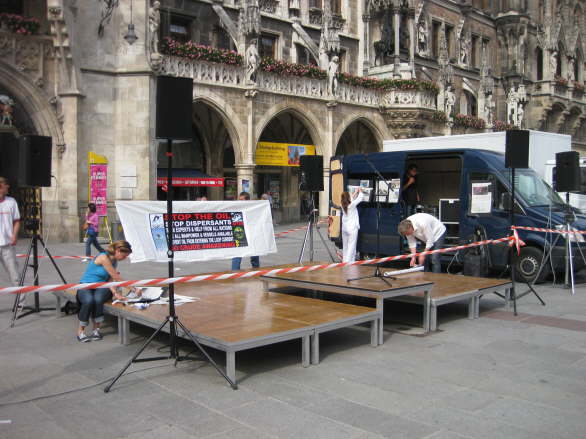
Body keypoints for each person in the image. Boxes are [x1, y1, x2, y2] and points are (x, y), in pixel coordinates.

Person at [76, 240, 137, 342]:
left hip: (102, 286)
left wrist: (115, 293)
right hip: (86, 284)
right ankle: (80, 331)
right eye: (124, 255)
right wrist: (134, 289)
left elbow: (109, 278)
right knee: (88, 301)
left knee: (98, 299)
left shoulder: (114, 261)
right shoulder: (104, 257)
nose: (125, 258)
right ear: (117, 251)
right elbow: (116, 277)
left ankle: (96, 329)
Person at [231, 192, 259, 270]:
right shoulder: (236, 208)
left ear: (247, 200)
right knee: (237, 254)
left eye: (242, 199)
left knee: (254, 253)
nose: (239, 201)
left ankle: (256, 270)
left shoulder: (253, 208)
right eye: (239, 199)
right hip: (239, 233)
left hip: (251, 233)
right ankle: (235, 272)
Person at [0, 177, 20, 286]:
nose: (8, 187)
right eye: (6, 184)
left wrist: (14, 235)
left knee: (15, 275)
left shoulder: (11, 202)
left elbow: (16, 221)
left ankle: (21, 302)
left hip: (7, 245)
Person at [340, 188, 364, 262]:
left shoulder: (342, 204)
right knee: (351, 247)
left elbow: (350, 199)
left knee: (345, 247)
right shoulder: (352, 205)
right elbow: (360, 198)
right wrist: (360, 191)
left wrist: (355, 192)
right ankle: (347, 263)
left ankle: (346, 261)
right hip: (352, 229)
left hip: (344, 229)